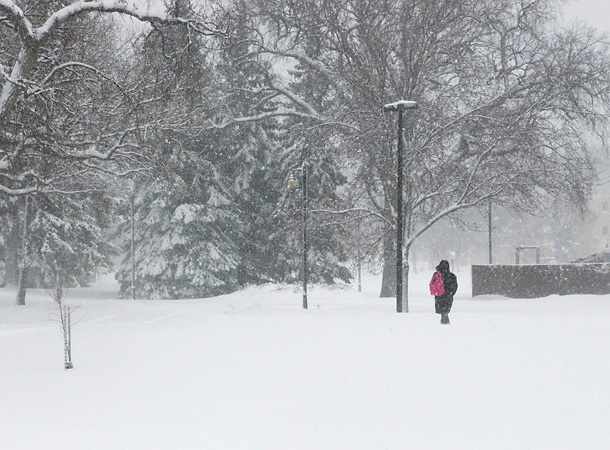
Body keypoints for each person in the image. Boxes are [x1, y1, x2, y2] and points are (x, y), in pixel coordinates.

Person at [432, 260, 458, 324]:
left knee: (441, 309)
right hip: (448, 295)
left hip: (439, 295)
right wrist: (451, 293)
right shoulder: (451, 276)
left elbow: (432, 284)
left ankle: (443, 319)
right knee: (446, 309)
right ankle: (445, 320)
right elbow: (455, 286)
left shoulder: (437, 275)